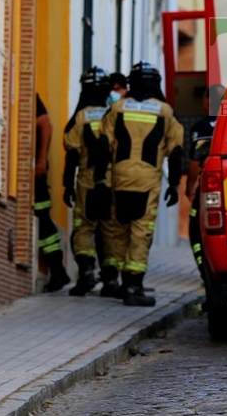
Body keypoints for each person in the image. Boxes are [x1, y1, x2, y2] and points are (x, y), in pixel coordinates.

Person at [95, 62, 185, 307]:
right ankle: (134, 286)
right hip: (147, 181)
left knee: (119, 231)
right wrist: (174, 185)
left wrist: (101, 179)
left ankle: (122, 283)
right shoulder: (165, 112)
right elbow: (176, 152)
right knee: (140, 233)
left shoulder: (117, 108)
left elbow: (102, 145)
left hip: (119, 178)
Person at [62, 67, 112, 297]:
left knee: (83, 228)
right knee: (110, 229)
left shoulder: (80, 117)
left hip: (87, 181)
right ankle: (111, 280)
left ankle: (87, 273)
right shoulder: (115, 113)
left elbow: (71, 153)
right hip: (113, 181)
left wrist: (67, 185)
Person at [185, 84, 226, 286]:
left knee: (196, 229)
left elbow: (195, 162)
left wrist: (190, 186)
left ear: (208, 102)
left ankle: (206, 272)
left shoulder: (201, 127)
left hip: (208, 188)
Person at [35, 93, 71, 292]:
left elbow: (46, 124)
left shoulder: (32, 99)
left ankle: (58, 271)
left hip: (36, 172)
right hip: (29, 171)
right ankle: (58, 271)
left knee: (43, 221)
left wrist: (41, 160)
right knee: (43, 222)